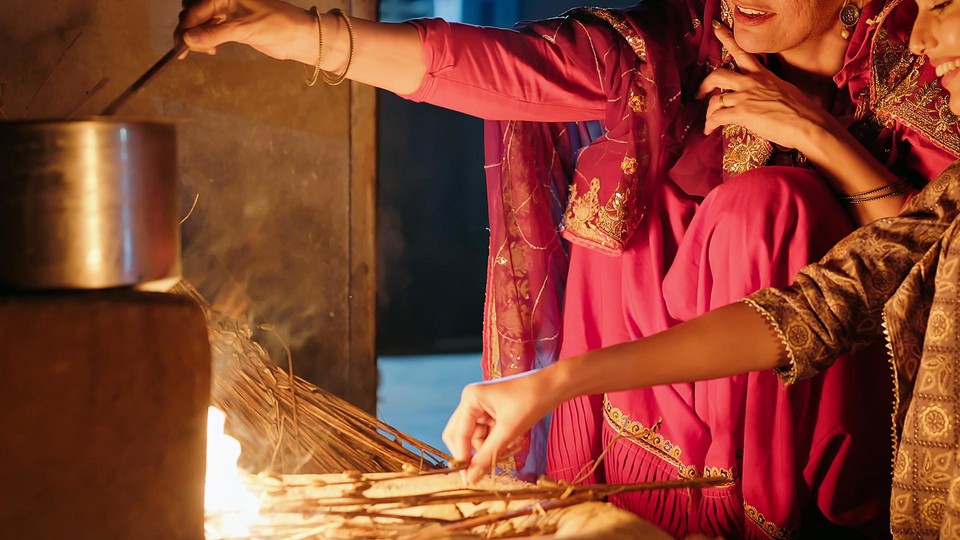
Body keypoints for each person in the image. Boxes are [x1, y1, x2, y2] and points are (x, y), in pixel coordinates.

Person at [179, 0, 960, 537]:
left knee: (766, 207)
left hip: (858, 401)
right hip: (711, 352)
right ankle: (624, 498)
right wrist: (296, 32)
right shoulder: (696, 39)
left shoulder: (930, 53)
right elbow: (520, 68)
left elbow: (920, 277)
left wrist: (820, 138)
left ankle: (739, 519)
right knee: (622, 178)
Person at [443, 0, 960, 537]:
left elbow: (909, 274)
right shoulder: (707, 36)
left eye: (942, 6)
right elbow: (812, 312)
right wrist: (553, 384)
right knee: (631, 193)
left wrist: (815, 135)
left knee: (766, 207)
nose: (919, 37)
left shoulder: (905, 83)